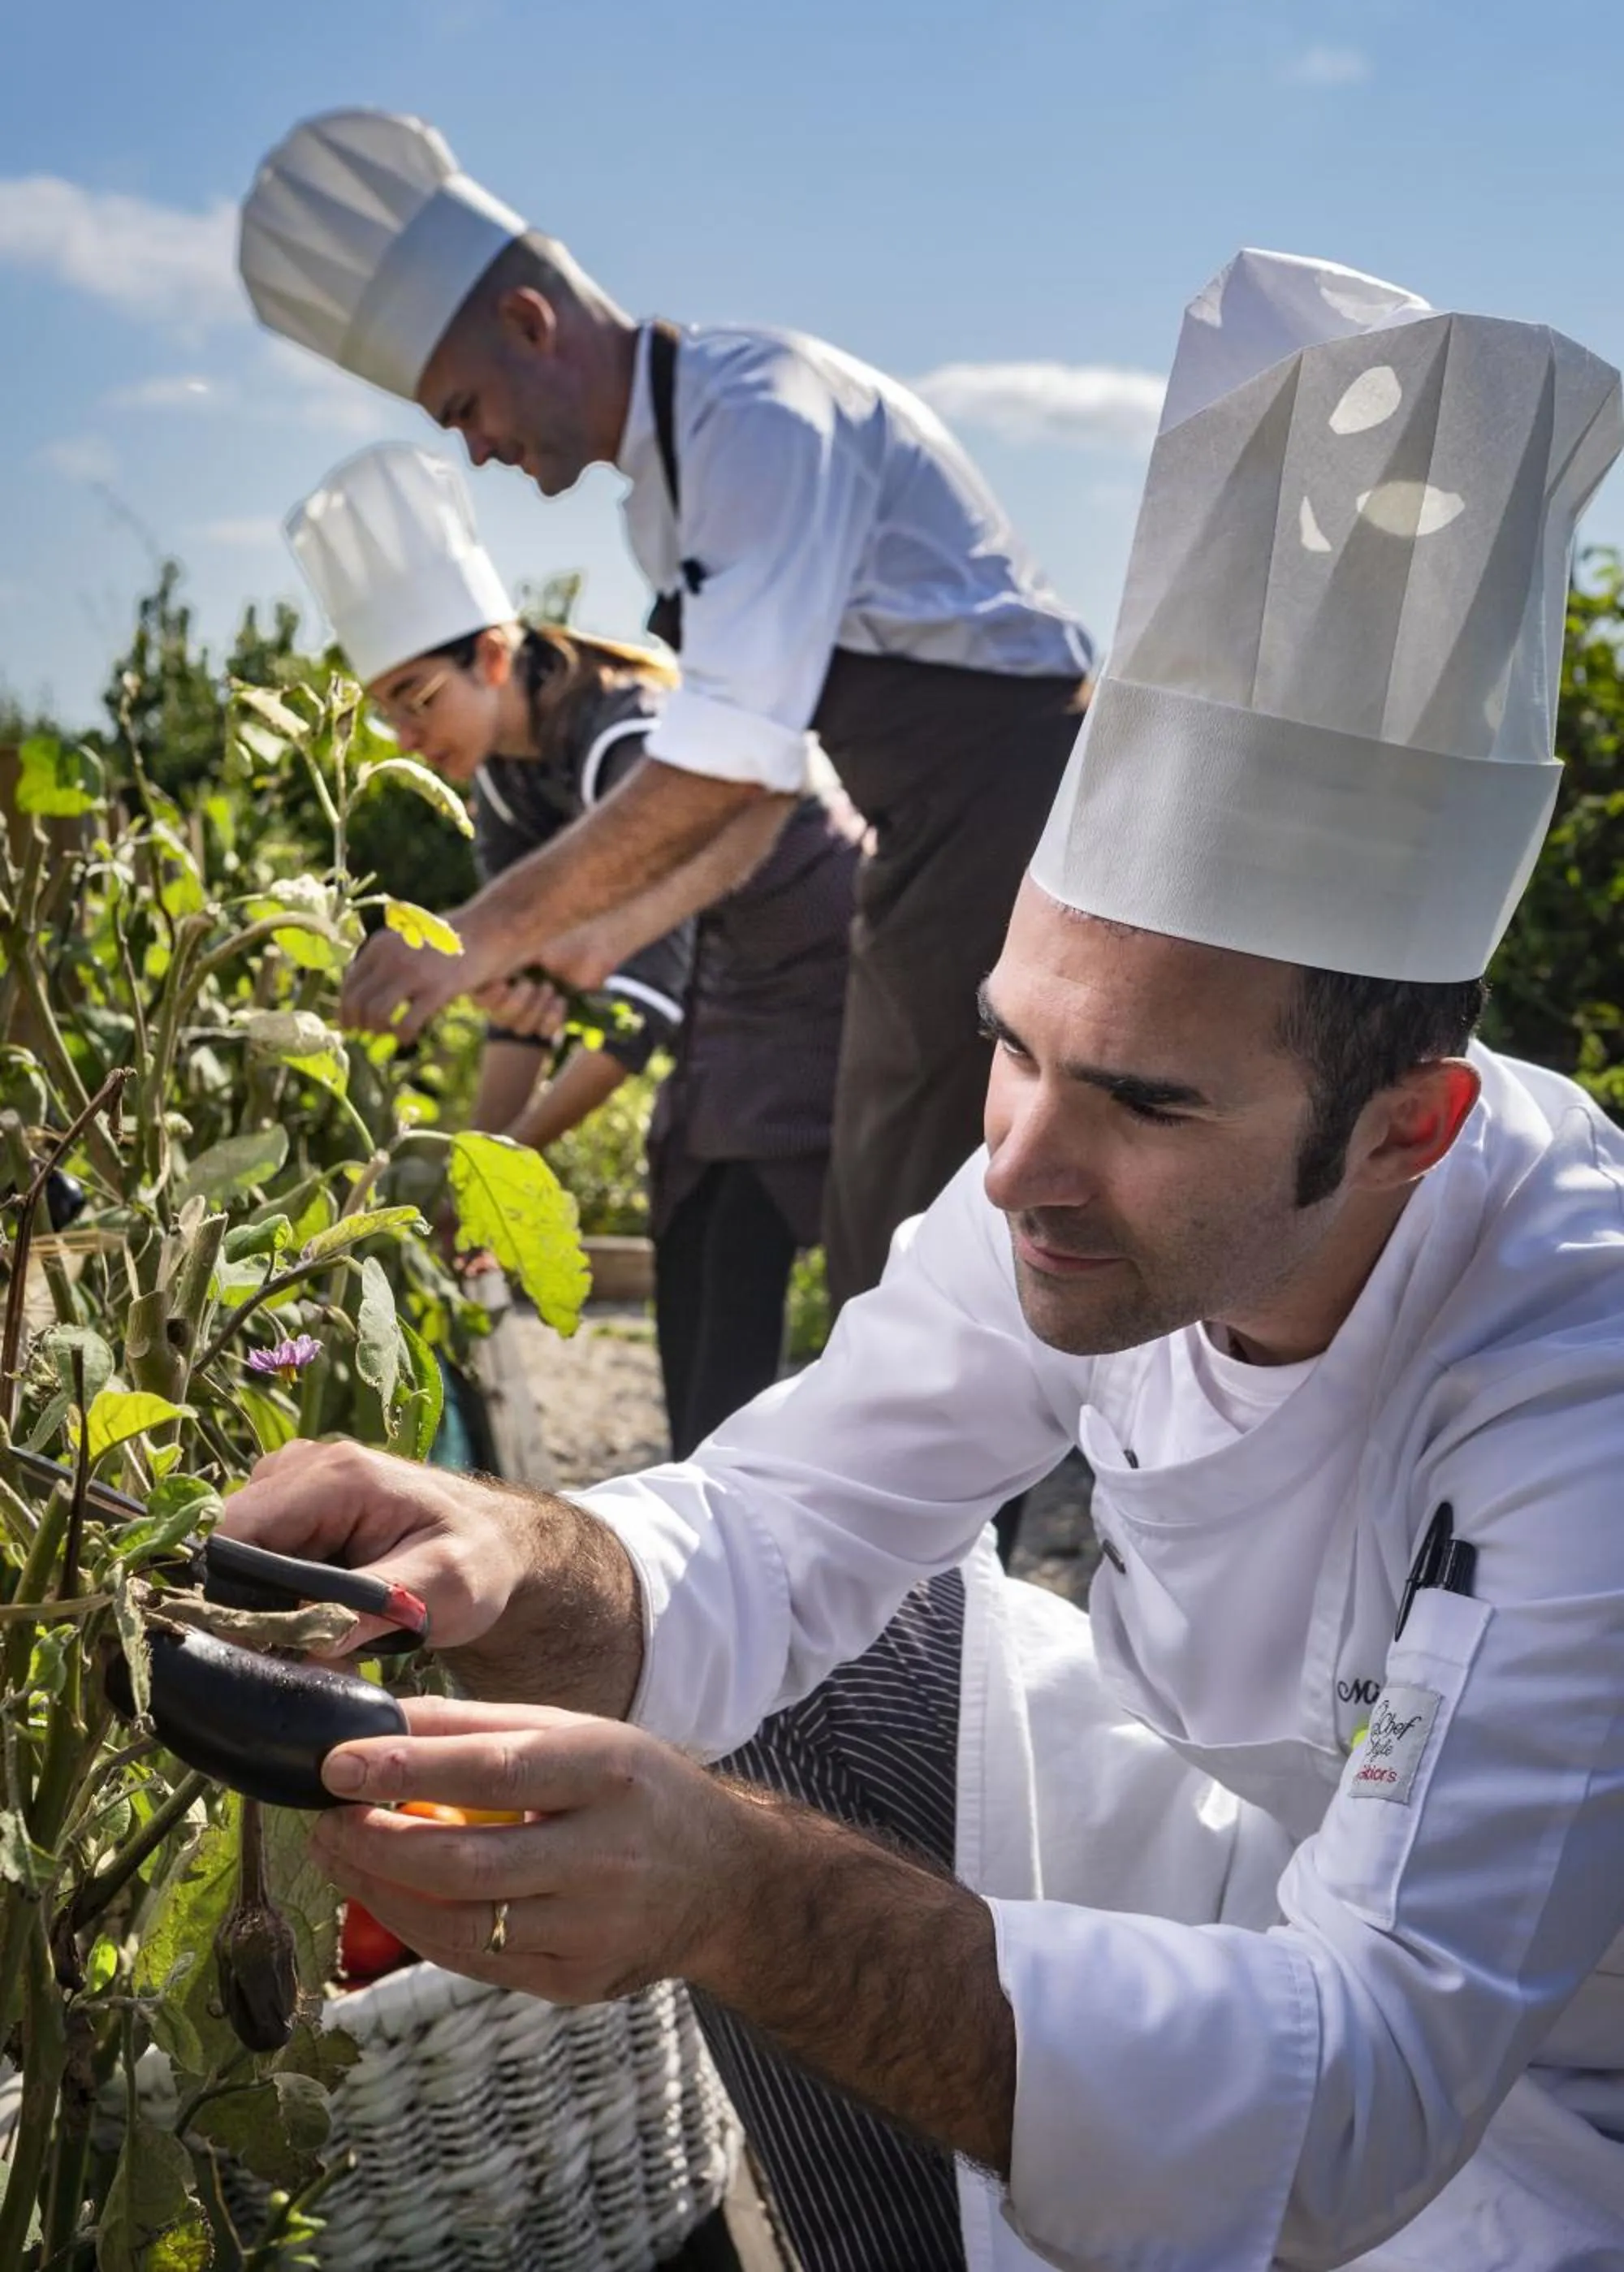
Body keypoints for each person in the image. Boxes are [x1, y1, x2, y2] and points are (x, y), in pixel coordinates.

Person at [222, 248, 1624, 2272]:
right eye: (1009, 1041)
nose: (1019, 1160)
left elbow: (1377, 2077)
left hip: (1542, 2090)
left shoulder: (1573, 1385)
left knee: (775, 1859)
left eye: (1144, 1103)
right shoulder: (1055, 1183)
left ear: (1409, 1121)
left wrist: (739, 1897)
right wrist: (508, 1561)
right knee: (799, 1703)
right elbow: (773, 1526)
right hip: (1272, 1882)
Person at [238, 108, 1094, 1319]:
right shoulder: (665, 506)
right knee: (894, 1226)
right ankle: (977, 1498)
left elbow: (730, 766)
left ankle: (1000, 1499)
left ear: (531, 324)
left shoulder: (758, 419)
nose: (478, 450)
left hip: (1013, 797)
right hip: (920, 835)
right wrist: (586, 937)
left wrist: (475, 934)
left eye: (465, 407)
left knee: (926, 1220)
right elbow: (767, 765)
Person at [286, 441, 858, 1458]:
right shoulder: (504, 782)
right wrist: (479, 1170)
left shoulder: (620, 739)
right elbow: (518, 989)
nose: (408, 738)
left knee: (785, 1238)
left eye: (420, 698)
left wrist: (502, 1169)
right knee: (690, 1210)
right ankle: (717, 1491)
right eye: (388, 715)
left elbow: (636, 1017)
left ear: (493, 656)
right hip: (731, 986)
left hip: (835, 966)